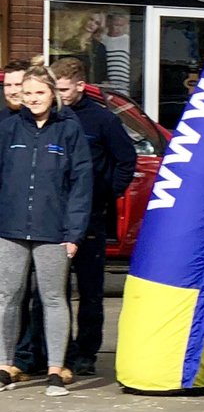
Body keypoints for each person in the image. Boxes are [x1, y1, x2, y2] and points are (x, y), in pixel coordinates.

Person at [38, 58, 135, 376]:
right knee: (56, 288)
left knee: (91, 289)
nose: (59, 94)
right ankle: (58, 350)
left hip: (91, 214)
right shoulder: (52, 118)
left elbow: (126, 159)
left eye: (64, 89)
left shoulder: (102, 120)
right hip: (55, 215)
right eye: (56, 88)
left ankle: (87, 352)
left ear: (80, 86)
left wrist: (108, 194)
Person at [0, 67, 92, 398]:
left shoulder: (69, 130)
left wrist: (74, 232)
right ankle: (5, 366)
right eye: (27, 94)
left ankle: (55, 369)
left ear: (52, 94)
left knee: (53, 298)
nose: (33, 99)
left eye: (39, 92)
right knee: (7, 297)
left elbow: (81, 183)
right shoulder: (9, 129)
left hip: (54, 231)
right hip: (9, 228)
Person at [102, 11, 133, 96]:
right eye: (116, 25)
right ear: (109, 24)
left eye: (121, 26)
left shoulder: (128, 40)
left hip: (123, 86)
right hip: (106, 86)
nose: (117, 28)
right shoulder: (102, 40)